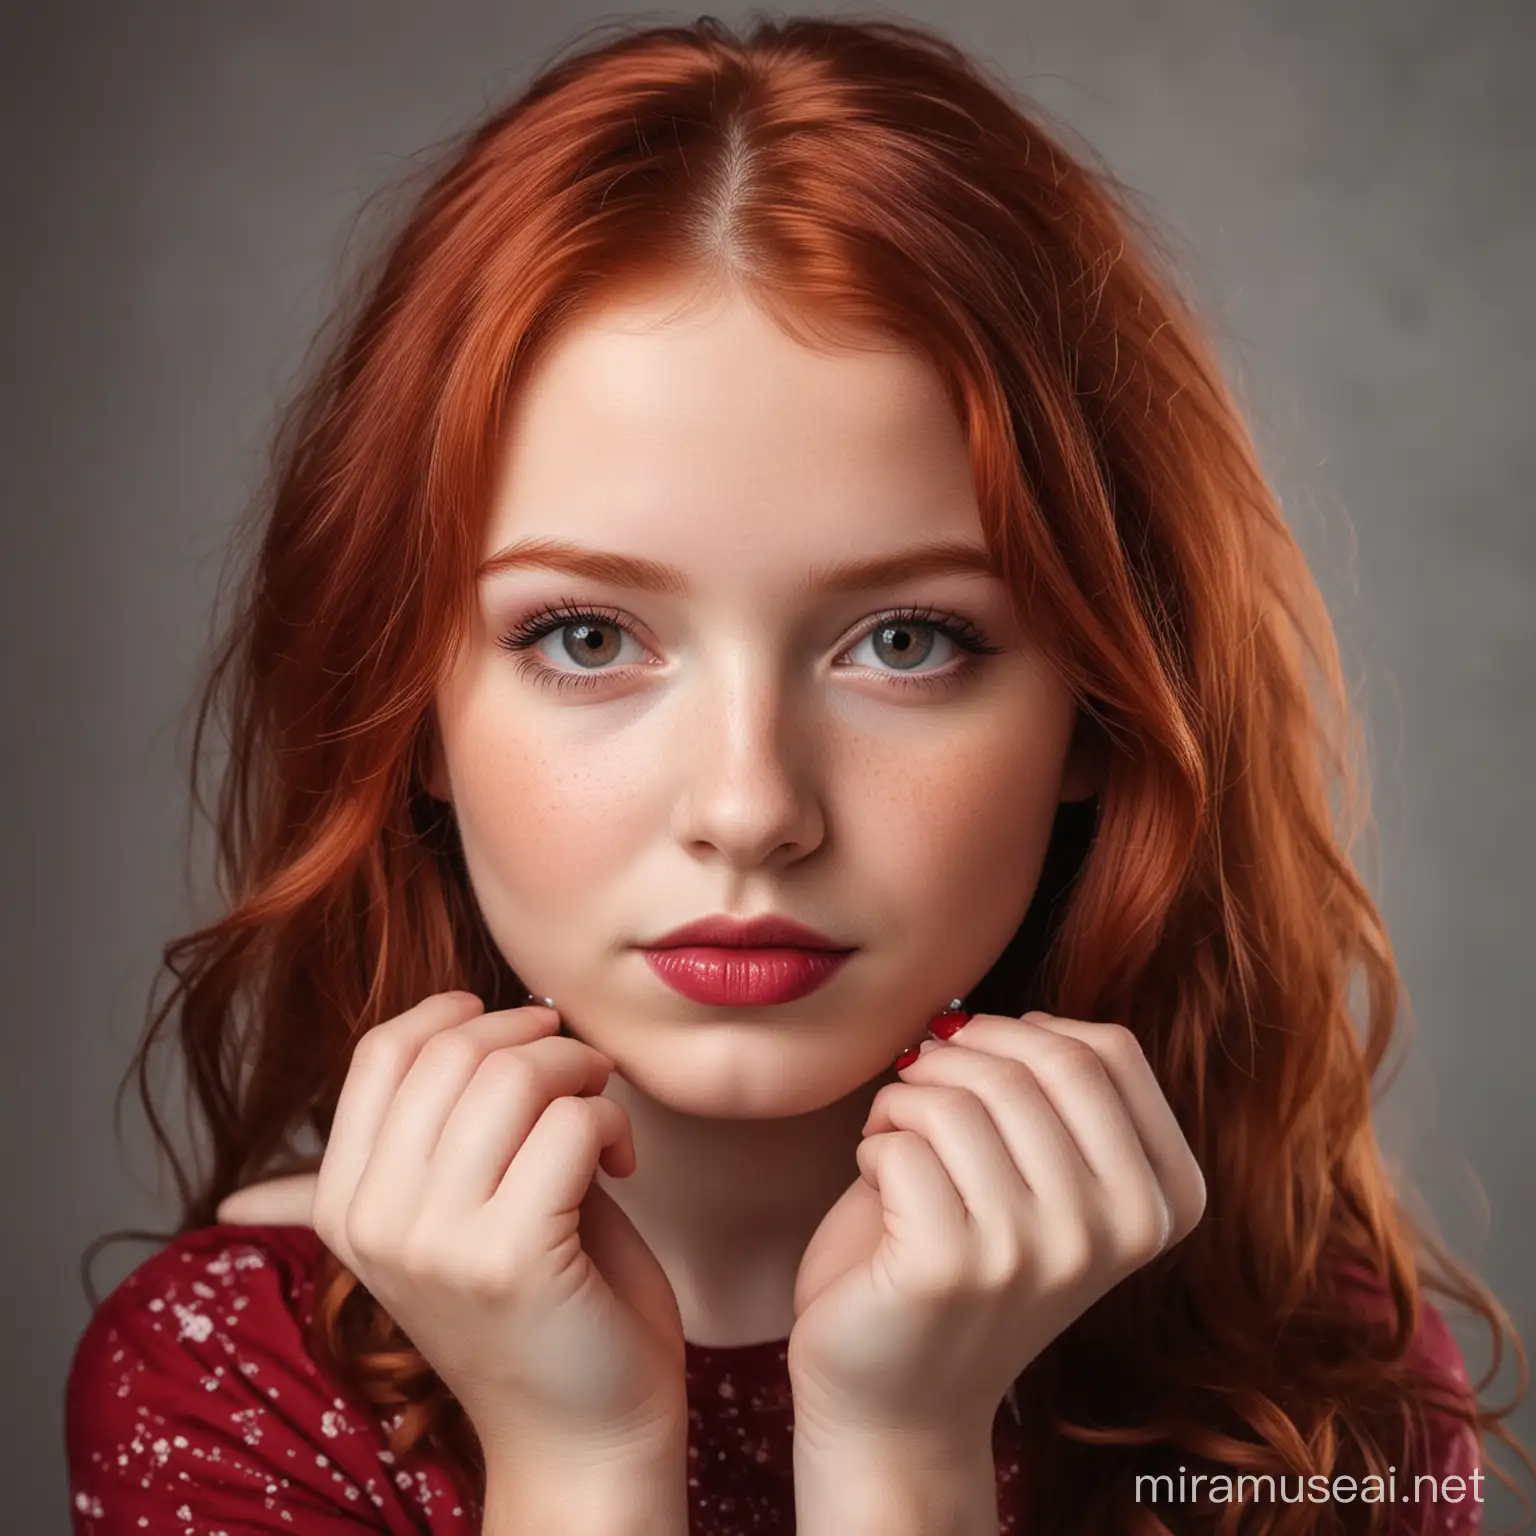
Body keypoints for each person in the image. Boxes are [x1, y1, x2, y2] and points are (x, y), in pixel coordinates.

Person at [64, 14, 1528, 1535]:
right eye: (583, 634)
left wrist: (902, 1458)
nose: (752, 808)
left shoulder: (1311, 1400)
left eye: (906, 639)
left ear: (1099, 708)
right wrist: (576, 1458)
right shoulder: (232, 1383)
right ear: (410, 706)